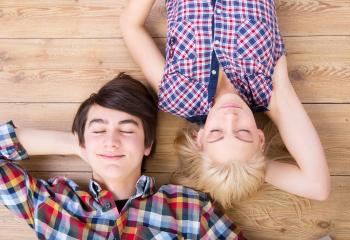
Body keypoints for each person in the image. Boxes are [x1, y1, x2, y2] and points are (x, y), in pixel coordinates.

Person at [119, 0, 330, 208]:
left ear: (200, 138)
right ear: (260, 138)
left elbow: (130, 26)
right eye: (243, 133)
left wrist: (244, 156)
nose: (230, 118)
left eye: (217, 133)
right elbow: (318, 186)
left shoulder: (179, 94)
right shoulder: (272, 91)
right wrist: (250, 165)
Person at [0, 73, 245, 239]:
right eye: (98, 130)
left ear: (147, 144)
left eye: (127, 130)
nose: (111, 141)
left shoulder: (191, 209)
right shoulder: (53, 206)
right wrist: (78, 145)